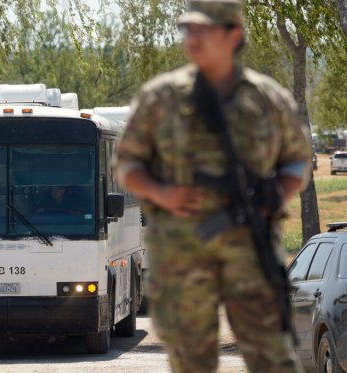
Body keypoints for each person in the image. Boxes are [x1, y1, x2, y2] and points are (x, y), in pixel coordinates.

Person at [114, 1, 311, 372]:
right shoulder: (162, 97)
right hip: (181, 254)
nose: (192, 39)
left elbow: (298, 161)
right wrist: (162, 193)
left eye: (203, 30)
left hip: (251, 251)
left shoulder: (268, 99)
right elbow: (126, 164)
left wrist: (276, 197)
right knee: (191, 363)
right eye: (188, 30)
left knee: (273, 359)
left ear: (233, 35)